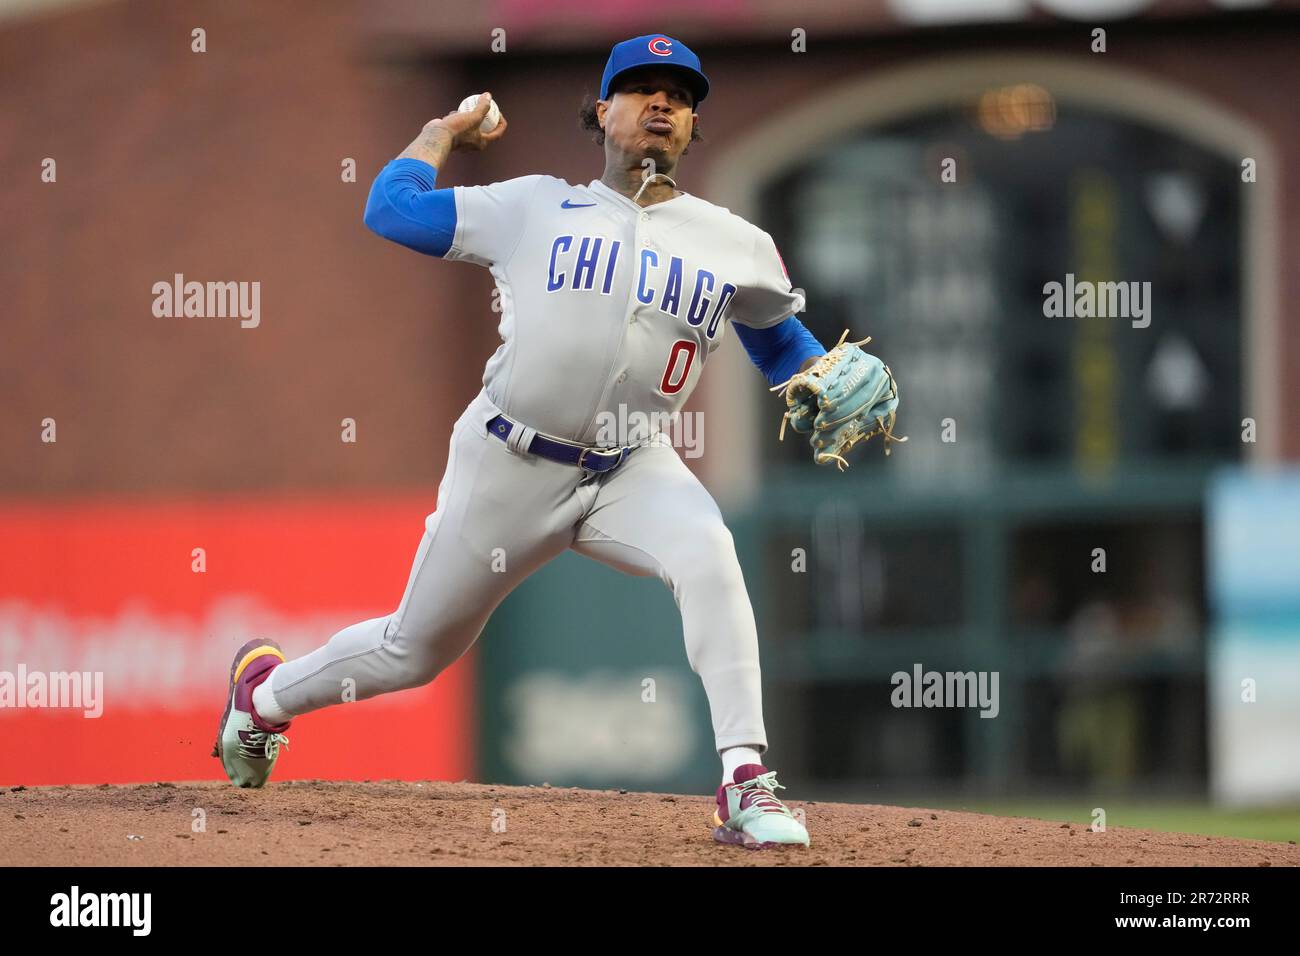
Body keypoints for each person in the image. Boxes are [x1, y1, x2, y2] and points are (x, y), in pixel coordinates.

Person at [213, 34, 880, 849]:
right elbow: (390, 209)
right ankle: (265, 699)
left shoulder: (734, 242)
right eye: (640, 88)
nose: (663, 102)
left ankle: (745, 779)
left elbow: (779, 343)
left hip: (635, 464)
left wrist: (817, 368)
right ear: (603, 111)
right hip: (509, 459)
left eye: (680, 94)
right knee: (411, 652)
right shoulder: (529, 205)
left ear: (694, 125)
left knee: (710, 552)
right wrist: (443, 133)